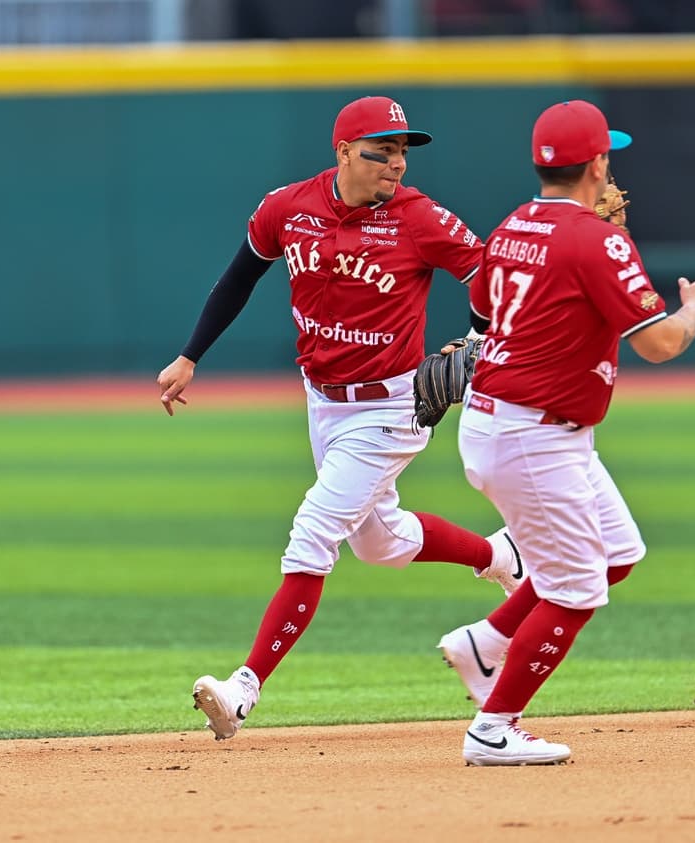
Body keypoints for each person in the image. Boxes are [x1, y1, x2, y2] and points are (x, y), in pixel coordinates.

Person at [156, 95, 525, 741]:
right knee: (379, 543)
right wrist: (190, 355)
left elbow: (493, 279)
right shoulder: (287, 207)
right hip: (323, 401)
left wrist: (476, 342)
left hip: (391, 405)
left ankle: (243, 689)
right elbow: (239, 277)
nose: (397, 164)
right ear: (344, 151)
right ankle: (500, 555)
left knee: (313, 533)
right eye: (383, 151)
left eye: (403, 152)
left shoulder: (419, 217)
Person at [438, 99, 695, 766]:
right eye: (607, 156)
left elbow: (484, 310)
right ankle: (493, 727)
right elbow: (659, 343)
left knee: (616, 552)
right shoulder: (599, 240)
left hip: (516, 423)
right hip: (532, 434)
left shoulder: (512, 224)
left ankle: (485, 643)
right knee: (575, 591)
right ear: (597, 164)